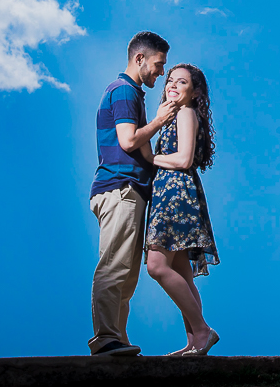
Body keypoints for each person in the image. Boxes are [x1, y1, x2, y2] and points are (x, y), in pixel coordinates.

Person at [88, 31, 177, 356]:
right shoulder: (125, 90)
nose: (160, 72)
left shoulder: (131, 92)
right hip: (120, 189)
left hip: (128, 190)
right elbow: (128, 141)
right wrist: (159, 121)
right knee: (115, 266)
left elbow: (143, 154)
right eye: (157, 64)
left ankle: (116, 341)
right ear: (139, 58)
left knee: (126, 271)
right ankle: (105, 339)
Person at [142, 63, 220, 356]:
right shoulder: (174, 115)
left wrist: (152, 157)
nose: (172, 85)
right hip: (170, 193)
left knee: (157, 266)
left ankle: (202, 331)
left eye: (182, 82)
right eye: (170, 81)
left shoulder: (186, 113)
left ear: (195, 92)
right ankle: (194, 341)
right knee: (182, 276)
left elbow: (184, 159)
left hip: (176, 195)